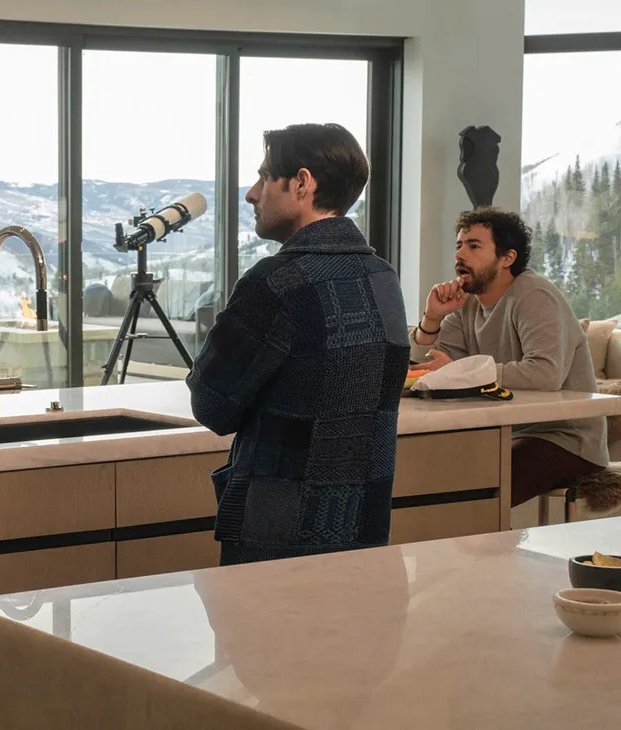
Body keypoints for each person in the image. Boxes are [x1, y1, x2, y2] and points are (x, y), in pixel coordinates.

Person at [185, 123, 409, 565]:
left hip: (277, 532)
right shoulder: (384, 277)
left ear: (302, 183)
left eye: (265, 176)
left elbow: (211, 405)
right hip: (363, 527)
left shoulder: (276, 282)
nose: (252, 194)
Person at [411, 208, 606, 506]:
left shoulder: (534, 296)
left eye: (474, 246)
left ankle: (486, 537)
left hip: (565, 438)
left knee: (475, 491)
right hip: (504, 432)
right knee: (425, 475)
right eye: (459, 245)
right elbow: (424, 368)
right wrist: (432, 319)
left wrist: (464, 373)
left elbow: (545, 374)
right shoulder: (466, 304)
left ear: (507, 258)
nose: (459, 255)